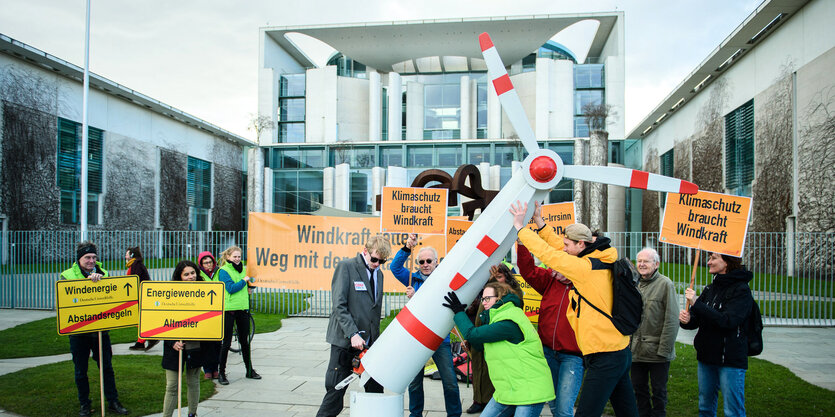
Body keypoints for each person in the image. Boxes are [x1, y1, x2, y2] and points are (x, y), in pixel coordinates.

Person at [511, 201, 638, 417]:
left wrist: (520, 228)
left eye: (568, 245)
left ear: (581, 245)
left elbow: (550, 255)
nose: (564, 249)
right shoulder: (598, 257)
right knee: (627, 411)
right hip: (619, 350)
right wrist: (540, 223)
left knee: (585, 413)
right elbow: (558, 247)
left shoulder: (584, 268)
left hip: (605, 355)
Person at [444, 282, 555, 416]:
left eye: (487, 298)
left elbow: (472, 334)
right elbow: (481, 345)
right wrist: (472, 343)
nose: (483, 302)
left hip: (529, 390)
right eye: (482, 299)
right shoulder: (496, 319)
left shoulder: (509, 320)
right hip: (508, 389)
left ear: (500, 298)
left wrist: (459, 312)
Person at [316, 235, 391, 417]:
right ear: (365, 251)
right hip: (345, 342)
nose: (377, 264)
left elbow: (374, 311)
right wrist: (353, 334)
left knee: (375, 391)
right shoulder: (346, 267)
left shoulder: (379, 275)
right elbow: (339, 306)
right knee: (335, 393)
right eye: (374, 259)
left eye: (382, 261)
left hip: (368, 345)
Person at [390, 233, 462, 417]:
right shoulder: (412, 279)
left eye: (429, 260)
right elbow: (395, 267)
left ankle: (454, 415)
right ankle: (415, 415)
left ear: (437, 262)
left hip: (439, 339)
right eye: (421, 262)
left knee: (450, 382)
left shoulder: (444, 281)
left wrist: (418, 298)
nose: (425, 264)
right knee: (414, 382)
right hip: (416, 339)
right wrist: (407, 247)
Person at [679, 252, 754, 417]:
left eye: (713, 258)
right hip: (707, 357)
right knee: (705, 408)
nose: (708, 262)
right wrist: (687, 319)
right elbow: (697, 320)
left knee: (732, 411)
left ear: (726, 262)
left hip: (730, 360)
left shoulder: (741, 290)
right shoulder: (710, 288)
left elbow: (727, 321)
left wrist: (697, 304)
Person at [60, 241, 129, 416]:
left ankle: (113, 401)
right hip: (79, 333)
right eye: (87, 257)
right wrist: (86, 283)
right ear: (79, 259)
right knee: (80, 371)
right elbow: (66, 303)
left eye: (94, 257)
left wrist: (99, 281)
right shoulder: (67, 276)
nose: (91, 261)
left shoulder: (103, 273)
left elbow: (111, 298)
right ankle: (85, 404)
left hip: (100, 332)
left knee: (106, 368)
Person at [516, 240, 584, 417]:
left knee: (563, 409)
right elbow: (527, 270)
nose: (555, 268)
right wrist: (523, 244)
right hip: (547, 352)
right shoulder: (550, 280)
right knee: (553, 404)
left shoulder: (585, 286)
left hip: (573, 356)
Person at [462, 264, 524, 414]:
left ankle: (491, 402)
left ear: (507, 277)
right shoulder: (489, 291)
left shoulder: (513, 293)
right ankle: (478, 400)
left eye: (499, 277)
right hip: (480, 336)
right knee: (477, 369)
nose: (496, 281)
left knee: (494, 372)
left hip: (497, 338)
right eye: (493, 278)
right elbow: (477, 314)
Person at [631, 248, 679, 417]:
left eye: (646, 261)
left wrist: (664, 350)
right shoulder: (633, 283)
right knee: (639, 390)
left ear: (656, 264)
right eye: (639, 261)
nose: (642, 264)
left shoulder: (665, 284)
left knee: (659, 392)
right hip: (635, 351)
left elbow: (671, 319)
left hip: (657, 352)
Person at [161, 260, 204, 417]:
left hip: (195, 344)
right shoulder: (169, 294)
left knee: (193, 382)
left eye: (193, 273)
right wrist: (173, 341)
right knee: (172, 385)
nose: (191, 276)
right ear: (179, 277)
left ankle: (193, 413)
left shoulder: (205, 292)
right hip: (174, 344)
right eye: (186, 274)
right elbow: (162, 321)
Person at [216, 245, 260, 385]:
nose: (237, 259)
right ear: (228, 257)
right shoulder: (224, 271)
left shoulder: (245, 270)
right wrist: (244, 281)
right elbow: (230, 288)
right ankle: (221, 373)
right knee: (226, 342)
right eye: (234, 256)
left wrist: (251, 285)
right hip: (229, 309)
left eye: (239, 256)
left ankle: (249, 370)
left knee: (244, 341)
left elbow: (249, 284)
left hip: (243, 308)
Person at [126, 246, 159, 351]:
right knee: (139, 318)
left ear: (131, 255)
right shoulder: (134, 265)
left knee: (138, 318)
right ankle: (144, 339)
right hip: (139, 295)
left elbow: (135, 281)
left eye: (127, 253)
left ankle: (147, 337)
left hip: (140, 296)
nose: (125, 255)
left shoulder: (136, 265)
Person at [197, 251, 221, 380]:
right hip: (204, 312)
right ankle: (207, 369)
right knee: (206, 343)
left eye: (210, 262)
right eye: (205, 263)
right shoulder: (199, 275)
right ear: (201, 264)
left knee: (217, 343)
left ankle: (215, 368)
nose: (208, 265)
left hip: (218, 311)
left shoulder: (218, 272)